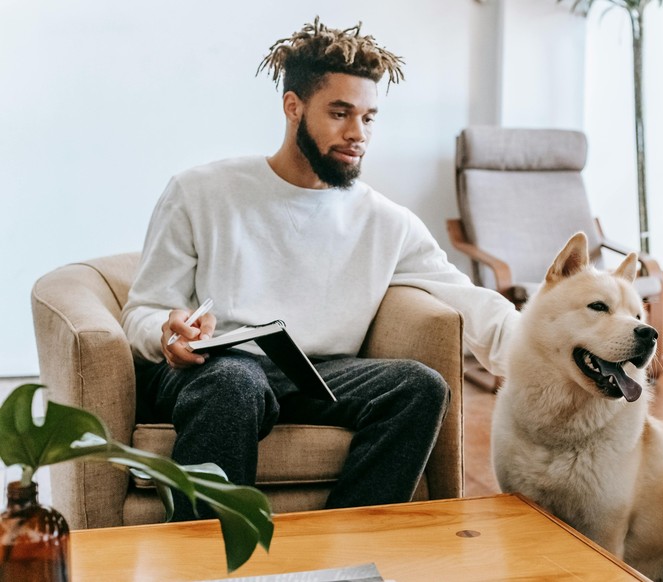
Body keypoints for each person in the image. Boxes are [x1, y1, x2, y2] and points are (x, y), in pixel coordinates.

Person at [121, 16, 518, 521]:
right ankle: (207, 564)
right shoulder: (200, 192)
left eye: (369, 118)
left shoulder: (385, 221)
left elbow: (468, 300)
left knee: (420, 386)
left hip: (319, 377)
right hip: (216, 370)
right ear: (293, 107)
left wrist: (553, 352)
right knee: (235, 382)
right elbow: (144, 309)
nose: (358, 134)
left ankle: (345, 556)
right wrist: (167, 333)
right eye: (340, 113)